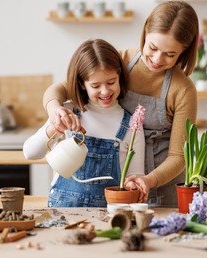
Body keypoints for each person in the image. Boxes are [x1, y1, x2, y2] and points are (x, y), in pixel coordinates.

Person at [42, 1, 199, 207]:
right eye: (152, 47)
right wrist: (55, 108)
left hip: (162, 184)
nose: (157, 59)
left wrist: (148, 180)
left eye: (170, 54)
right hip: (120, 184)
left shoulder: (183, 89)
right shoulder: (122, 60)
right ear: (145, 32)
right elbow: (60, 88)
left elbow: (179, 156)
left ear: (184, 51)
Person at [23, 39, 145, 208]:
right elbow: (30, 153)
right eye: (95, 85)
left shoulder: (132, 123)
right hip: (62, 212)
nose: (105, 91)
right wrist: (55, 127)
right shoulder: (67, 112)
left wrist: (134, 185)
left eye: (111, 82)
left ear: (120, 78)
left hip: (108, 217)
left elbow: (135, 174)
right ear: (82, 84)